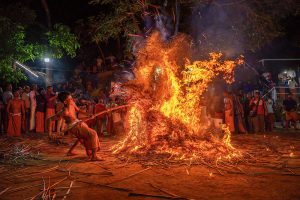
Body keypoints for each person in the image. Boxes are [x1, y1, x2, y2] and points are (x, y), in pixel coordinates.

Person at [50, 92, 102, 161]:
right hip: (74, 126)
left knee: (81, 138)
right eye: (69, 99)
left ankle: (70, 151)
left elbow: (78, 110)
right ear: (65, 102)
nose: (72, 100)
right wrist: (49, 133)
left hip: (77, 123)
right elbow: (50, 119)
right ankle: (94, 156)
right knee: (93, 134)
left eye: (71, 98)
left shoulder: (72, 103)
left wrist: (88, 114)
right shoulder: (64, 111)